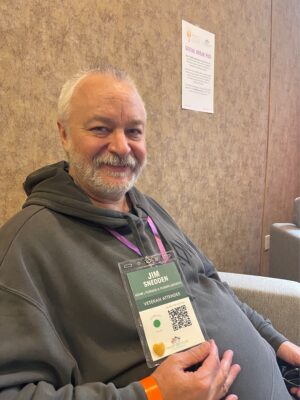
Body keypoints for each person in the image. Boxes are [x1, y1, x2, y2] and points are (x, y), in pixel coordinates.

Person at [0, 67, 299, 400]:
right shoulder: (26, 246)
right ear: (64, 134)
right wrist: (152, 394)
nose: (122, 146)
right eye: (101, 128)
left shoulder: (147, 209)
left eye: (134, 131)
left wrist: (275, 342)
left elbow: (211, 282)